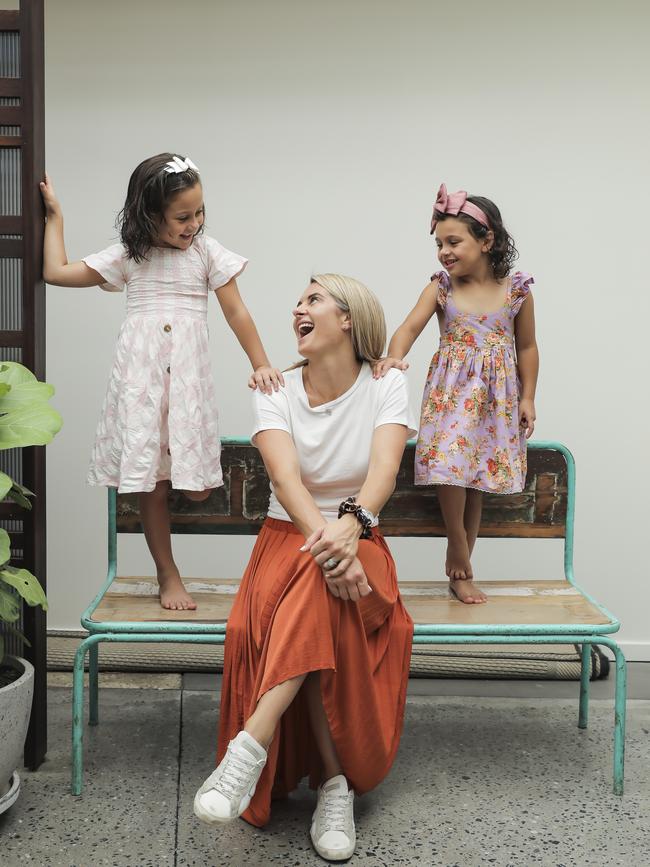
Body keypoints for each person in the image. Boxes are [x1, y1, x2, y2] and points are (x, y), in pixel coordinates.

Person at [194, 274, 415, 862]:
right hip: (289, 538)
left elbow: (385, 471)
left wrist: (351, 527)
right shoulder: (274, 389)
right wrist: (328, 544)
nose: (298, 309)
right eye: (298, 301)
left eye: (314, 299)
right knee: (325, 601)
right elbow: (286, 480)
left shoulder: (386, 384)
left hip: (359, 538)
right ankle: (335, 788)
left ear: (349, 319)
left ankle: (248, 749)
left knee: (321, 595)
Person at [40, 154, 282, 611]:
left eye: (200, 212)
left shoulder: (206, 252)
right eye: (183, 217)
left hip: (188, 383)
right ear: (150, 215)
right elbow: (55, 272)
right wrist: (56, 216)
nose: (195, 224)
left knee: (197, 487)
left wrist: (260, 363)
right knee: (152, 481)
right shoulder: (130, 257)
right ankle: (167, 574)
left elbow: (236, 311)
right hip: (142, 381)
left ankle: (182, 517)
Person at [374, 184, 539, 604]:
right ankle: (456, 544)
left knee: (476, 474)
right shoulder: (441, 287)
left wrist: (528, 398)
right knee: (449, 463)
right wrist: (394, 357)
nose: (444, 252)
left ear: (487, 241)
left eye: (453, 242)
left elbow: (528, 347)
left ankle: (464, 565)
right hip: (451, 395)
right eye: (439, 243)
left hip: (495, 400)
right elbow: (409, 327)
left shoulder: (516, 290)